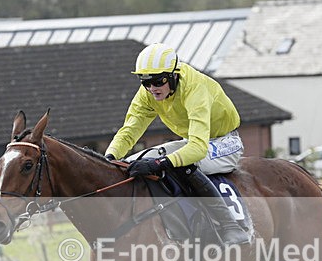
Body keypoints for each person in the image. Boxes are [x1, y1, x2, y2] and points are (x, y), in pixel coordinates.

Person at [105, 42, 250, 246]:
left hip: (224, 142)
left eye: (158, 81)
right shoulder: (148, 92)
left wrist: (159, 164)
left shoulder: (194, 87)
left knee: (182, 163)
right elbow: (130, 130)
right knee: (135, 160)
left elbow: (198, 149)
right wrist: (110, 157)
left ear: (173, 74)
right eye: (145, 82)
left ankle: (230, 226)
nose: (152, 89)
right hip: (193, 140)